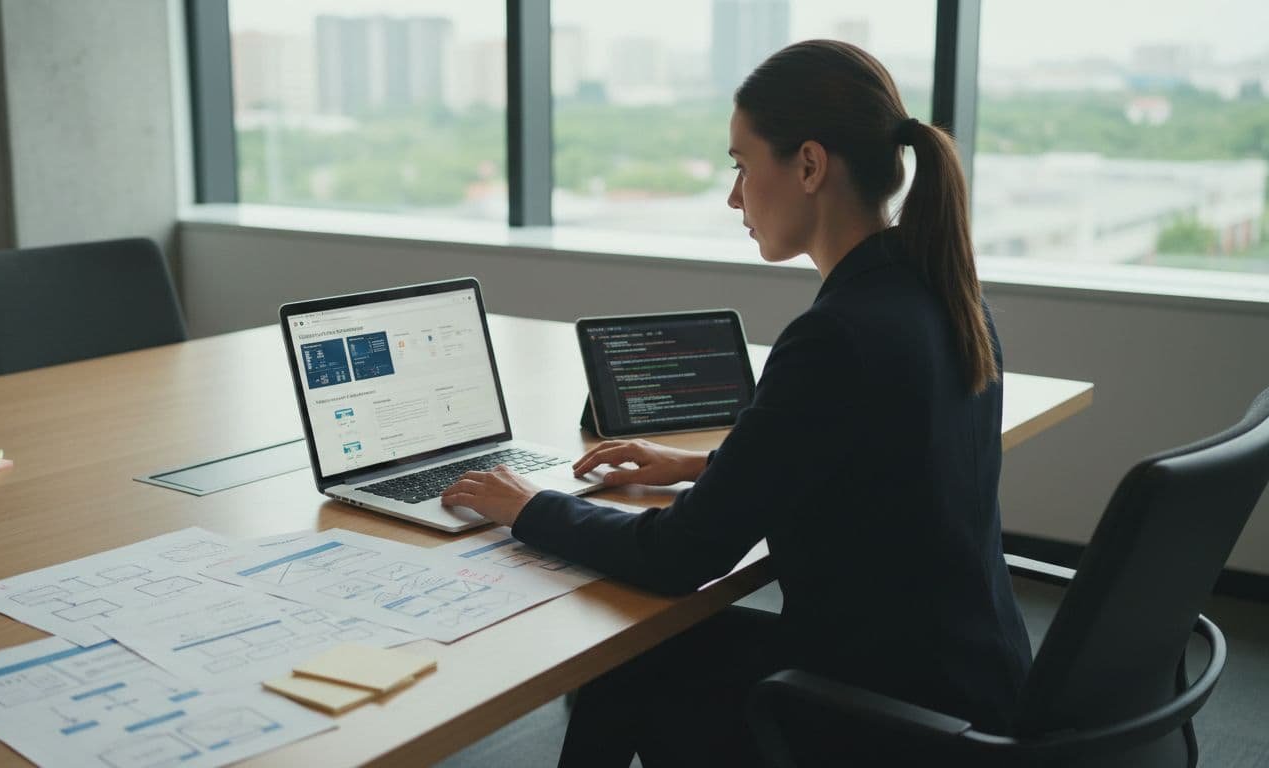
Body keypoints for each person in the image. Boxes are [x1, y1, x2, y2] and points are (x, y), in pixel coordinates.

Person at [441, 39, 1031, 767]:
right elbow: (873, 463)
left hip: (890, 723)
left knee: (628, 655)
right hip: (973, 686)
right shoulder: (942, 292)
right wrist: (700, 465)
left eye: (741, 166)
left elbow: (677, 557)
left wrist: (525, 505)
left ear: (809, 166)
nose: (733, 197)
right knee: (656, 652)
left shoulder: (836, 335)